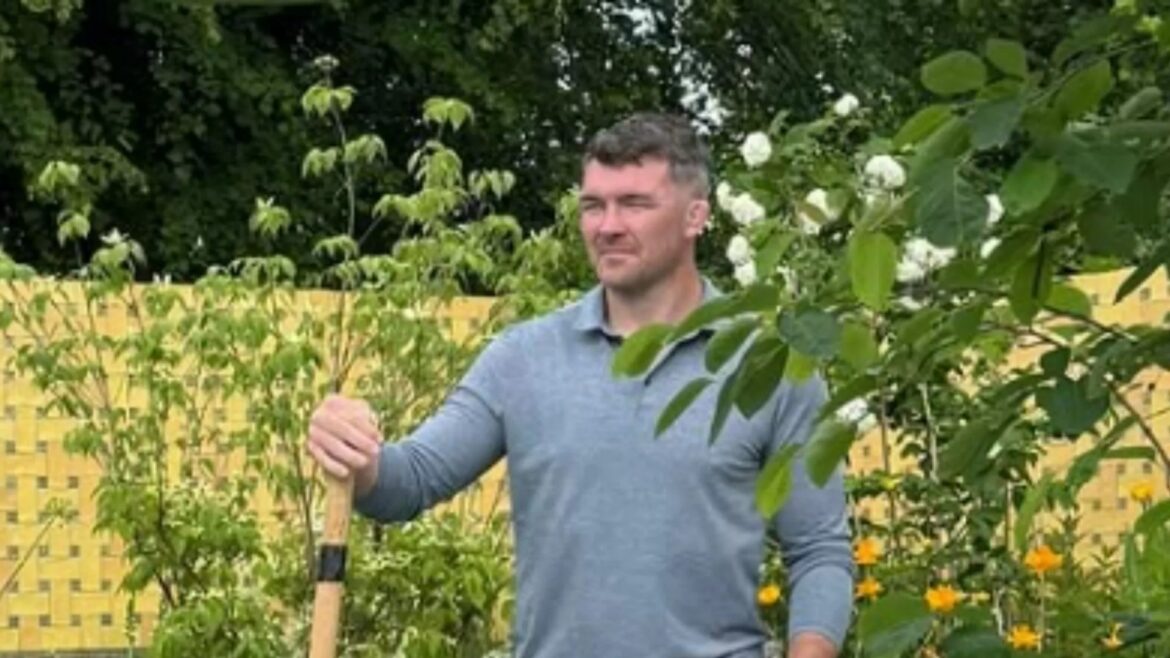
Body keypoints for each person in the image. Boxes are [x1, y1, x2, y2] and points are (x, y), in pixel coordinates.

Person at [305, 113, 854, 658]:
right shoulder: (522, 359)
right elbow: (410, 482)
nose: (607, 225)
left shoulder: (771, 366)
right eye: (594, 205)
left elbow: (819, 550)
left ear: (696, 217)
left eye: (635, 204)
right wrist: (357, 454)